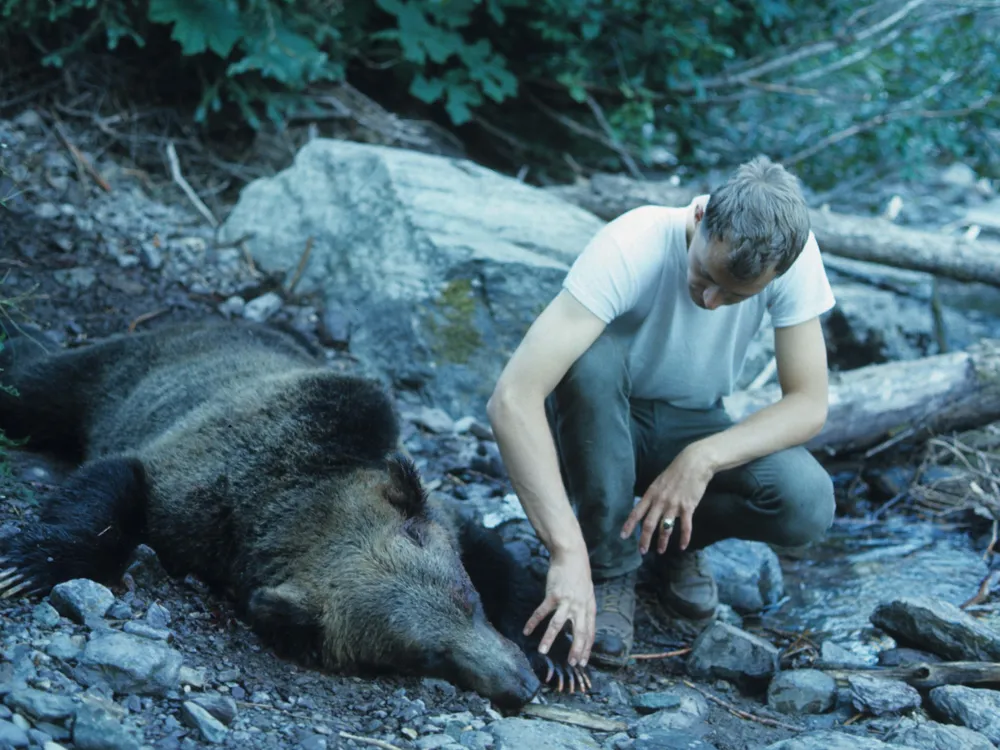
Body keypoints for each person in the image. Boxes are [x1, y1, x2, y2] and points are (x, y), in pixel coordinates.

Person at [485, 156, 837, 671]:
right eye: (705, 277)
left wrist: (703, 457)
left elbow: (809, 403)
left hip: (693, 420)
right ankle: (608, 565)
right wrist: (567, 554)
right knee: (588, 360)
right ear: (699, 218)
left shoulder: (794, 258)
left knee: (806, 500)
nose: (712, 301)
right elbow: (513, 398)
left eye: (737, 296)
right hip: (597, 424)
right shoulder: (632, 242)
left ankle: (671, 541)